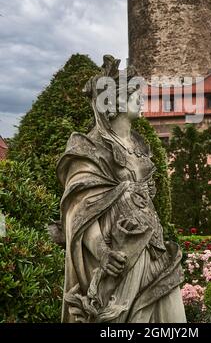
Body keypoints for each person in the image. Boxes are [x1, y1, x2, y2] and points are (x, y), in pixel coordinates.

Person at [57, 55, 186, 323]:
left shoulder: (139, 145)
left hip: (153, 245)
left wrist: (143, 191)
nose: (141, 99)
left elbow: (139, 196)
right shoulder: (90, 148)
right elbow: (80, 210)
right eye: (134, 94)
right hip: (121, 251)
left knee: (171, 317)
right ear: (114, 102)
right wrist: (102, 253)